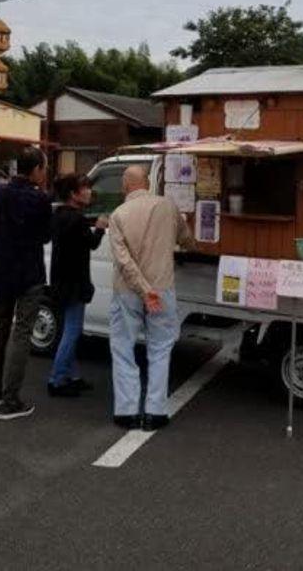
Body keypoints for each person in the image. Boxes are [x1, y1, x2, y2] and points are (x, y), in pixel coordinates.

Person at [108, 164, 194, 431]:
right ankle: (155, 412)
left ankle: (127, 412)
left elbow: (124, 262)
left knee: (123, 349)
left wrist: (143, 290)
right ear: (147, 182)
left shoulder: (118, 214)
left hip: (128, 291)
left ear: (125, 185)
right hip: (162, 287)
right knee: (160, 349)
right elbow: (187, 240)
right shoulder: (167, 206)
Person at [0, 146, 52, 421]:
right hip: (28, 274)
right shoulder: (40, 200)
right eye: (43, 169)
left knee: (0, 329)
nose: (44, 174)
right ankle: (11, 401)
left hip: (0, 271)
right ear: (35, 170)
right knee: (22, 333)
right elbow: (45, 237)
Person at [47, 173, 108, 397]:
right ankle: (56, 379)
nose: (89, 191)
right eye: (85, 188)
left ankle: (71, 375)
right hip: (74, 283)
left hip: (60, 281)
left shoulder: (59, 216)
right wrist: (100, 227)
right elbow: (91, 244)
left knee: (68, 329)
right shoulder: (77, 220)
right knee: (72, 331)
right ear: (73, 194)